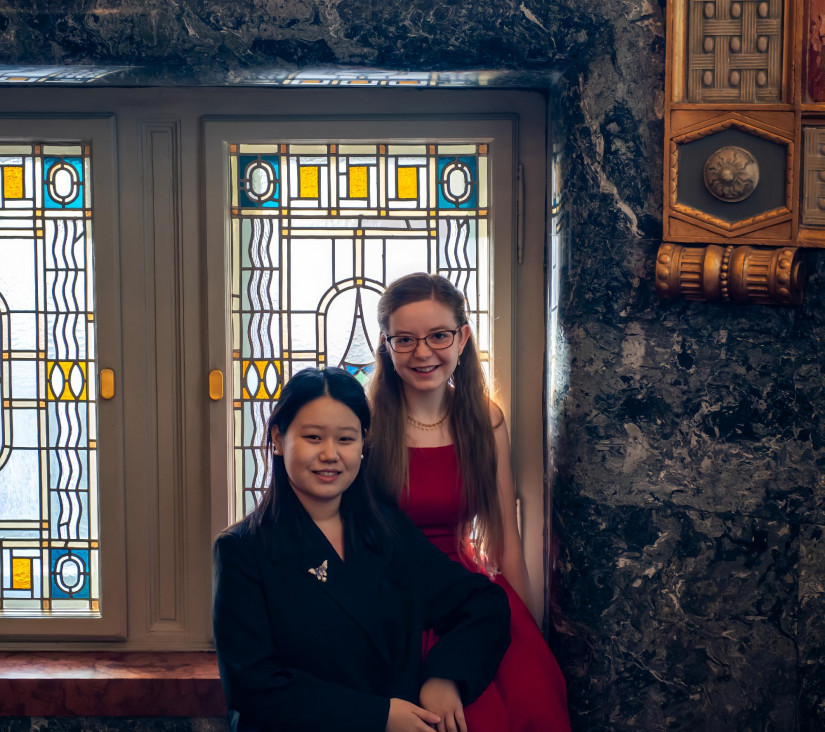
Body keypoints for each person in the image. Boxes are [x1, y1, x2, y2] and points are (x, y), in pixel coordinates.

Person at [213, 367, 511, 732]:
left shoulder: (388, 532)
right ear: (278, 438)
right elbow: (255, 689)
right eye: (313, 437)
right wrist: (379, 716)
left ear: (363, 444)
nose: (330, 454)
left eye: (346, 439)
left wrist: (446, 676)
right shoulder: (241, 551)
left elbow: (484, 603)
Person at [367, 273, 571, 732]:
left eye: (438, 336)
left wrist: (528, 635)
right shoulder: (365, 425)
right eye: (405, 339)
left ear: (462, 339)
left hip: (470, 597)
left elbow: (505, 540)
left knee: (530, 701)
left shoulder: (486, 421)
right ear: (386, 346)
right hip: (390, 600)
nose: (423, 353)